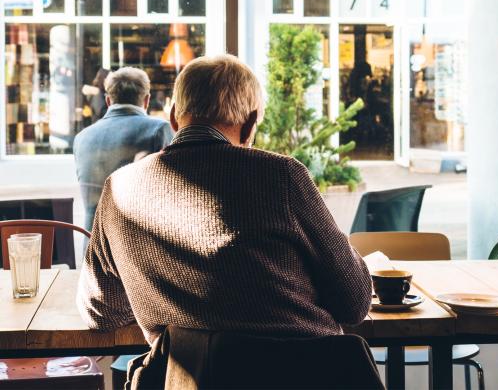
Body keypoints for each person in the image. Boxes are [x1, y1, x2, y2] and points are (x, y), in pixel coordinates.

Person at [77, 54, 372, 347]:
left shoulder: (119, 188)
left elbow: (100, 312)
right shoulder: (282, 176)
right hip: (306, 375)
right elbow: (355, 302)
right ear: (250, 124)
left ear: (174, 117)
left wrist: (160, 293)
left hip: (187, 379)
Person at [73, 67, 173, 232]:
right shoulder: (159, 130)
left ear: (108, 101)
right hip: (137, 248)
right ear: (147, 100)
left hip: (92, 247)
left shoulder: (82, 137)